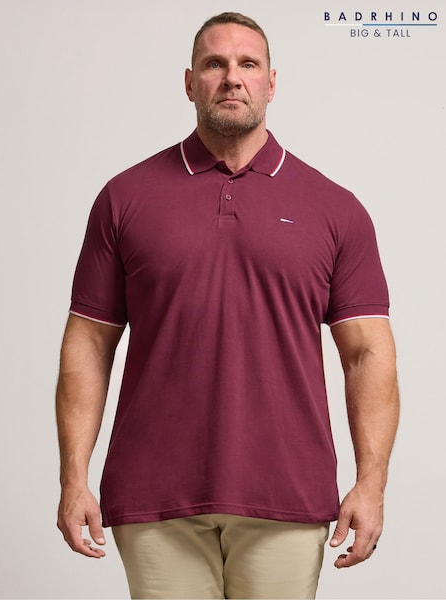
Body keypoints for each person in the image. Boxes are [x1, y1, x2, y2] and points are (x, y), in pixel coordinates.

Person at [56, 11, 399, 600]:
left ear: (272, 82)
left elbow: (368, 353)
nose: (232, 77)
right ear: (190, 83)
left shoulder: (334, 208)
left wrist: (372, 485)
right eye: (215, 64)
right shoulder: (125, 197)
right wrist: (73, 478)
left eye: (248, 64)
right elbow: (88, 343)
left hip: (287, 494)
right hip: (154, 495)